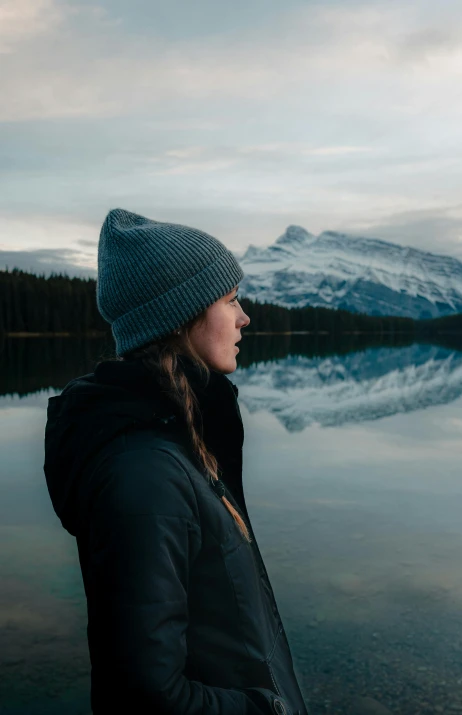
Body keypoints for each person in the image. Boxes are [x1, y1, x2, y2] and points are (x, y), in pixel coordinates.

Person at [43, 208, 308, 715]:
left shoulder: (183, 438)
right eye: (230, 300)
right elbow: (147, 693)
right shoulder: (145, 475)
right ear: (183, 314)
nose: (245, 317)